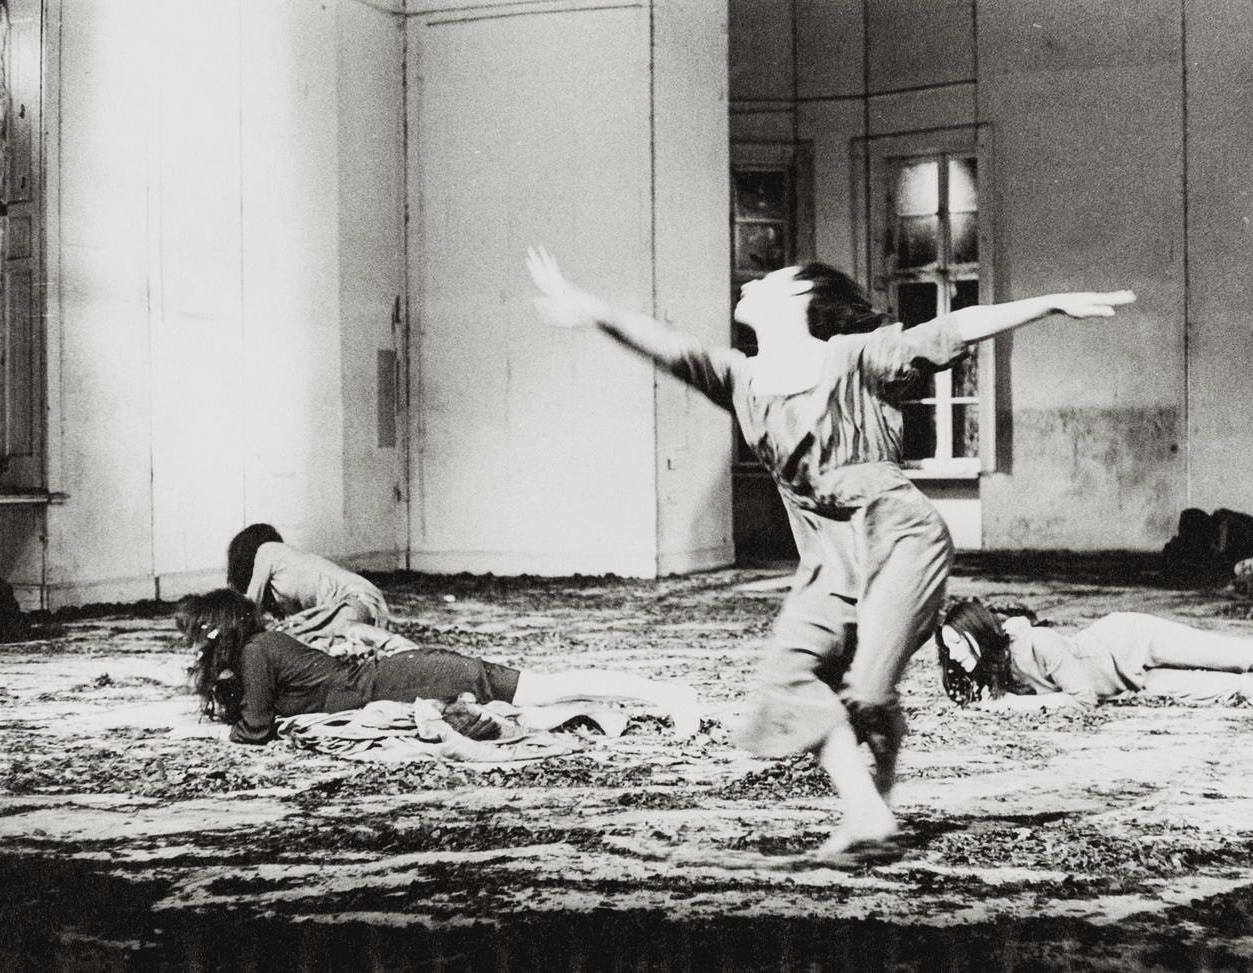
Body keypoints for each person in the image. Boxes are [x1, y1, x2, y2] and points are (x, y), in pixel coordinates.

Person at [527, 245, 1133, 860]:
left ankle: (877, 780)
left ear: (802, 297)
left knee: (866, 696)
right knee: (785, 680)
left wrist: (1050, 303)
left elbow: (952, 328)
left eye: (770, 278)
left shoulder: (855, 358)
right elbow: (667, 345)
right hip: (827, 566)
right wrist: (591, 310)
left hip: (899, 543)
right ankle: (868, 814)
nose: (752, 283)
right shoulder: (740, 378)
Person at [179, 589, 701, 745]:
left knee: (537, 690)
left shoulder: (256, 652)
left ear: (216, 631)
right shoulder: (260, 647)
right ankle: (612, 707)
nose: (195, 648)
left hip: (412, 678)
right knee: (530, 697)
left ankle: (665, 694)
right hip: (404, 677)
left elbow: (255, 729)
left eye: (197, 636)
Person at [935, 600, 1253, 711]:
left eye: (957, 642)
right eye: (947, 646)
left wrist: (1010, 708)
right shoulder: (990, 671)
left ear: (979, 634)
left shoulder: (1037, 643)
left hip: (1130, 640)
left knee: (1234, 656)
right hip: (1131, 684)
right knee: (1232, 688)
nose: (952, 655)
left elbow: (1082, 699)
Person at [227, 523, 415, 654]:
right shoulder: (287, 573)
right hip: (362, 604)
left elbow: (248, 607)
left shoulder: (266, 550)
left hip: (355, 600)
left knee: (296, 640)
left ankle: (399, 647)